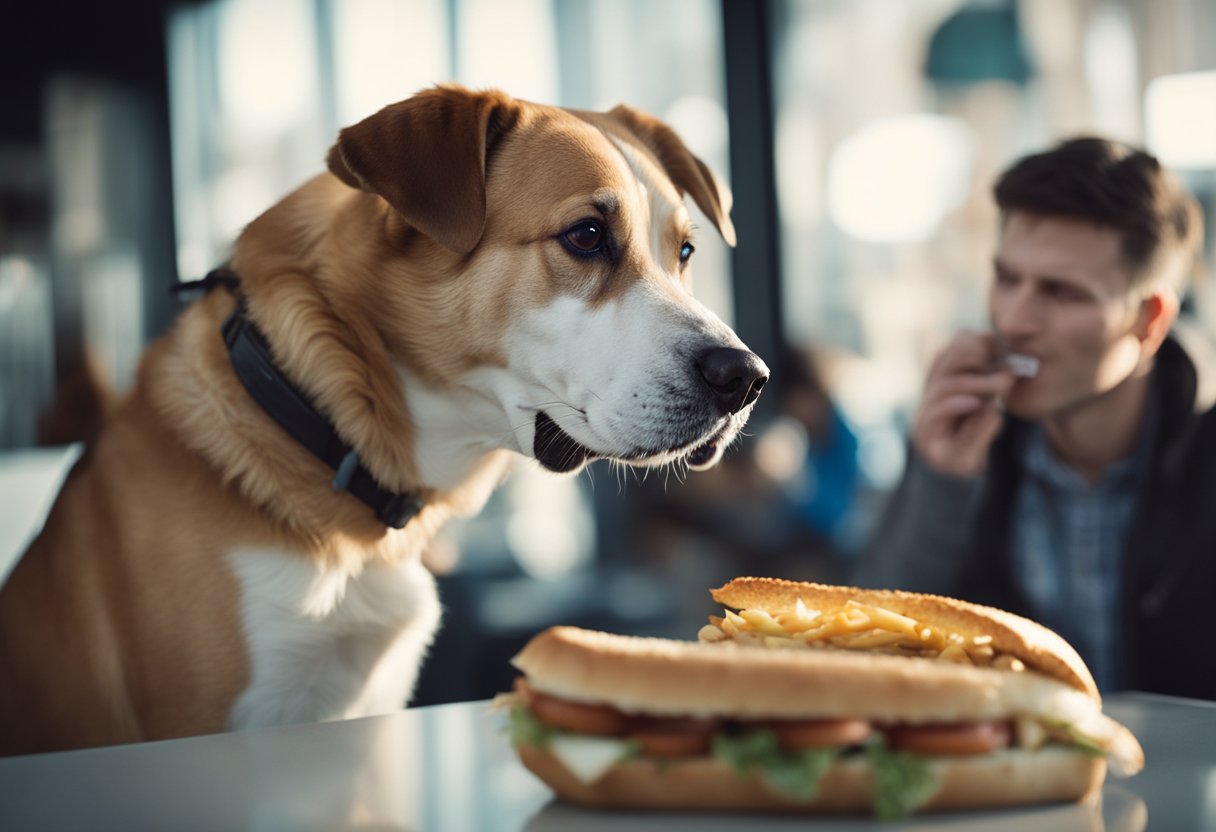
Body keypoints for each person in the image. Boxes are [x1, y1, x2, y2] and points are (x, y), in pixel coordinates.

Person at [857, 137, 1213, 698]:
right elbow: (864, 653)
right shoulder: (971, 439)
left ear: (1148, 320)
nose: (1015, 320)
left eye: (1061, 293)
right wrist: (940, 482)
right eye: (1006, 279)